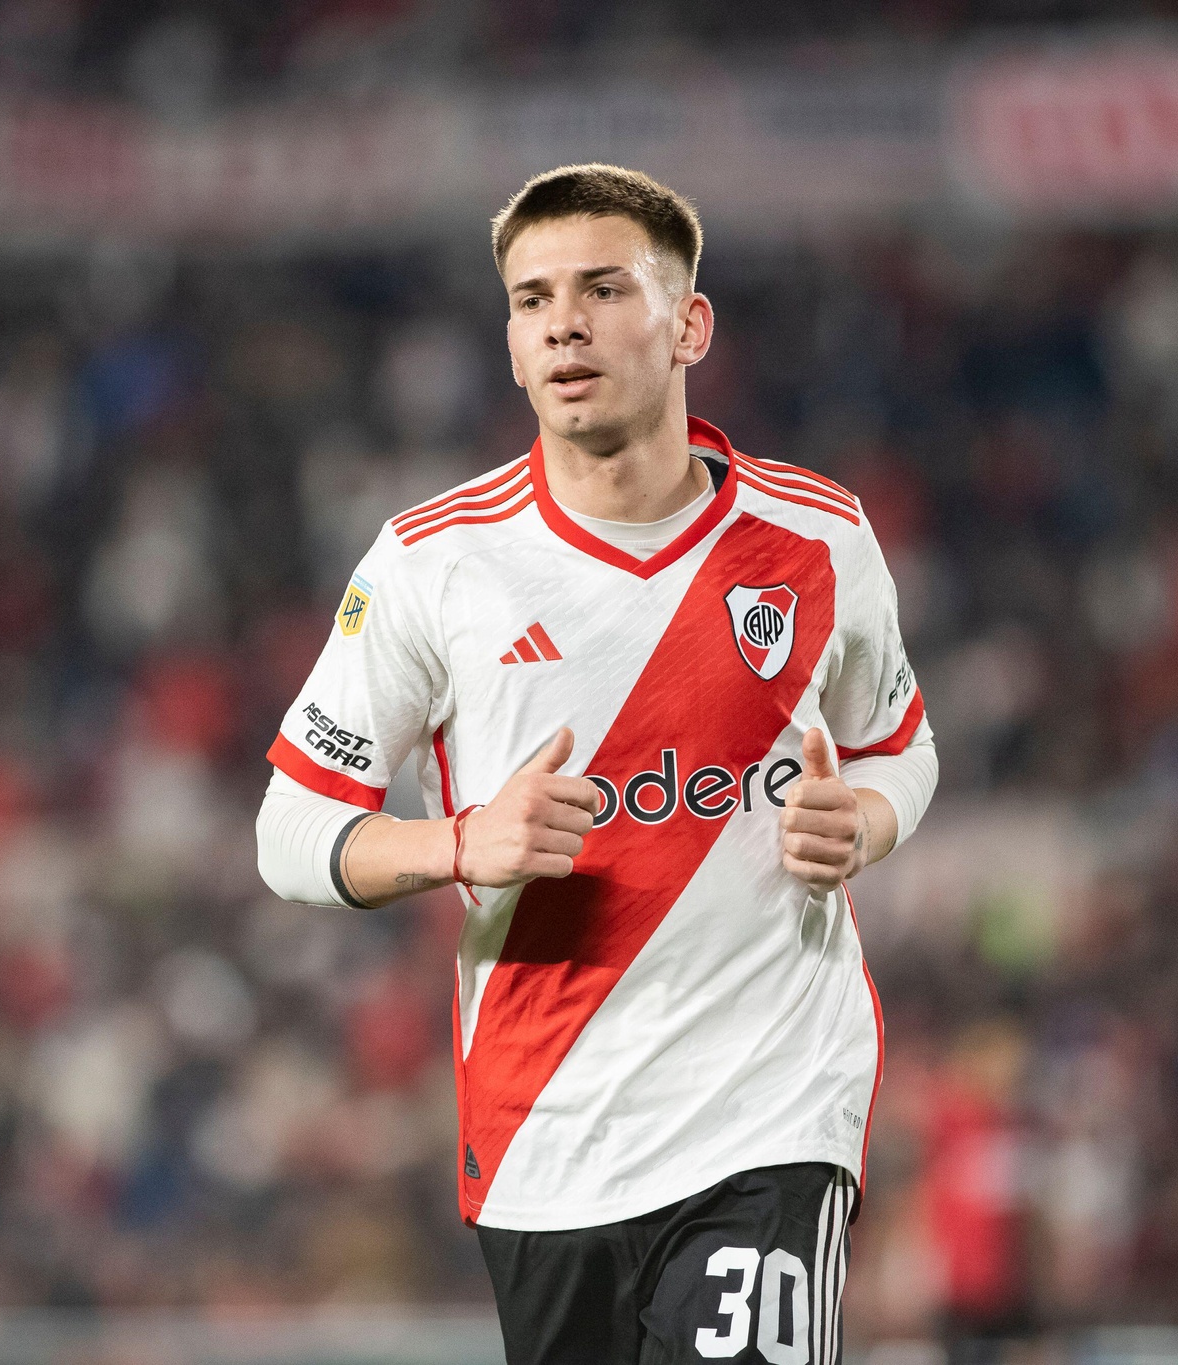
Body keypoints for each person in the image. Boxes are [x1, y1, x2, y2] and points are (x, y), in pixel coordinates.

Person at [256, 164, 936, 1364]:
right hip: (542, 1136)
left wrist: (864, 826)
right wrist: (458, 846)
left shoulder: (815, 537)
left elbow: (899, 748)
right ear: (512, 349)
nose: (561, 321)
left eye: (601, 288)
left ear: (689, 325)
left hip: (768, 1109)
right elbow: (292, 832)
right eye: (530, 300)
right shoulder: (432, 565)